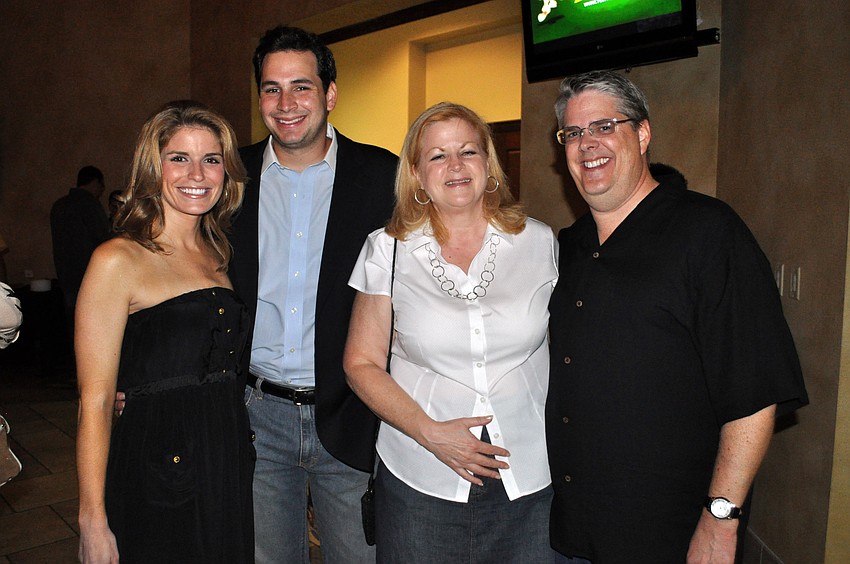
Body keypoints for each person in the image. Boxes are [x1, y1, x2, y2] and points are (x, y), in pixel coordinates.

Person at [546, 70, 808, 563]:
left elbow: (754, 395)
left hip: (671, 535)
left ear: (642, 134)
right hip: (575, 529)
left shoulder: (709, 233)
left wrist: (721, 518)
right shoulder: (568, 248)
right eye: (574, 133)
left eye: (604, 126)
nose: (587, 144)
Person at [343, 102, 558, 563]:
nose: (455, 166)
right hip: (420, 473)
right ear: (417, 173)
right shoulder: (387, 249)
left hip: (527, 470)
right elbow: (360, 363)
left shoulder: (540, 242)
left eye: (468, 151)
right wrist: (430, 433)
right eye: (438, 156)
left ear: (488, 164)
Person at [228, 26, 397, 563]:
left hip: (350, 412)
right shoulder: (230, 177)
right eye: (271, 88)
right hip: (257, 417)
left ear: (329, 94)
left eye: (301, 86)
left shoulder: (382, 176)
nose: (285, 103)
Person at [76, 100, 254, 563]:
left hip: (225, 458)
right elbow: (94, 401)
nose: (197, 173)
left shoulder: (219, 254)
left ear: (226, 172)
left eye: (211, 159)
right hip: (155, 466)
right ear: (153, 169)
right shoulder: (118, 258)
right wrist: (92, 520)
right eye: (179, 158)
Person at [50, 165, 111, 338]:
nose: (101, 190)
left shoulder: (59, 206)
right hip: (91, 277)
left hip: (66, 277)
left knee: (75, 328)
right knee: (94, 330)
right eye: (101, 185)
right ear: (96, 182)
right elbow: (104, 239)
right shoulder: (89, 204)